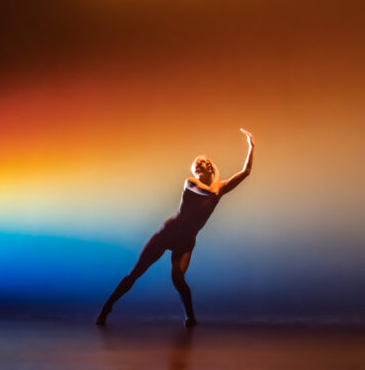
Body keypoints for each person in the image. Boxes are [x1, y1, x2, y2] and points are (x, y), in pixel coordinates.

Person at [95, 128, 255, 326]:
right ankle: (106, 307)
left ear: (210, 168)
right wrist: (218, 182)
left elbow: (246, 172)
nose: (199, 167)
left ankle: (190, 317)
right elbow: (208, 193)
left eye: (202, 164)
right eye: (196, 166)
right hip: (169, 233)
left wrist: (251, 147)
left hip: (187, 239)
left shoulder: (220, 188)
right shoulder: (192, 182)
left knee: (178, 278)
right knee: (136, 272)